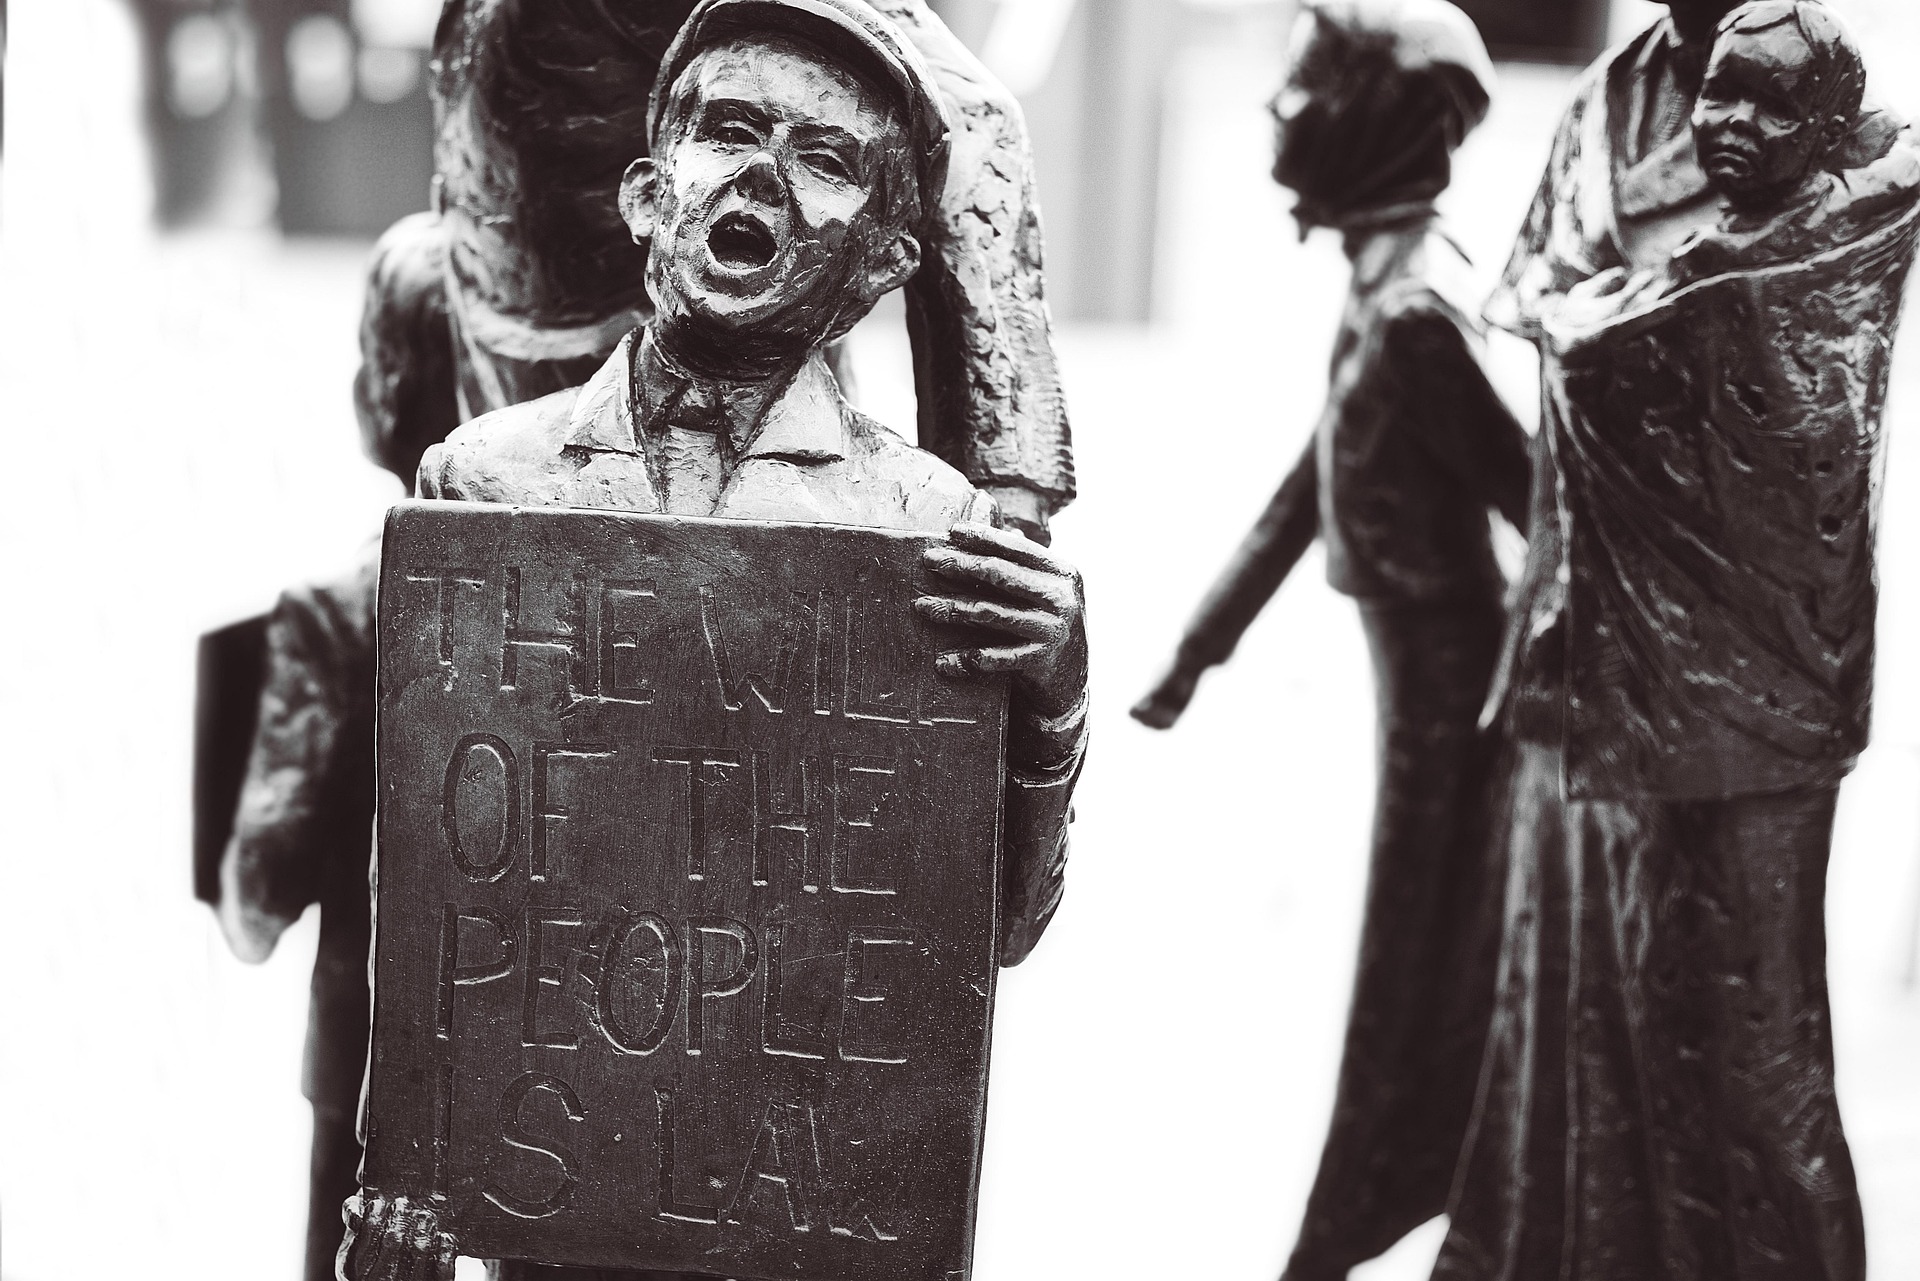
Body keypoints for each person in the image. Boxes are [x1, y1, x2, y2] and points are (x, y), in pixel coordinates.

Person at [338, 3, 1090, 1278]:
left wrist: (1055, 702)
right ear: (645, 194)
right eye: (727, 134)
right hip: (551, 1196)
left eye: (825, 160)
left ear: (885, 264)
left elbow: (993, 931)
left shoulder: (928, 531)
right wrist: (396, 1172)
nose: (757, 179)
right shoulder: (483, 482)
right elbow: (436, 895)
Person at [1440, 3, 1920, 1277]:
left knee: (1753, 1040)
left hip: (1751, 653)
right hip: (1585, 622)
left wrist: (1623, 311)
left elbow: (1784, 316)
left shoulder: (1868, 141)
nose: (1732, 129)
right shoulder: (1601, 104)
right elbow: (1532, 298)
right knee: (1583, 1002)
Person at [1130, 4, 1528, 1278]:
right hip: (1417, 674)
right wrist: (1200, 646)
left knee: (1418, 963)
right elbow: (1308, 489)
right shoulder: (1381, 280)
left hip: (1456, 689)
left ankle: (1360, 1225)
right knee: (1416, 957)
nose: (1276, 108)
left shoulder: (1421, 310)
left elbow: (1548, 505)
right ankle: (1379, 1213)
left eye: (1305, 84)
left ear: (1375, 123)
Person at [213, 209, 460, 1281]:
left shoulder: (334, 613)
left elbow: (255, 898)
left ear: (386, 387)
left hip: (363, 1074)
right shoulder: (567, 610)